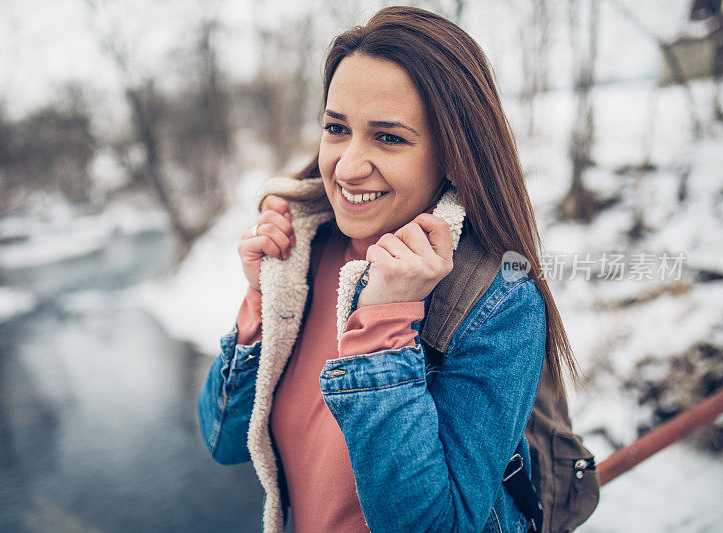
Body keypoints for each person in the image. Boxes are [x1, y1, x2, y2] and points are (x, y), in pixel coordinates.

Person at [198, 6, 578, 532]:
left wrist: (385, 329)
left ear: (454, 153)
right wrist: (262, 301)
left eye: (389, 137)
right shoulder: (304, 249)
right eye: (337, 128)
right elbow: (222, 438)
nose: (348, 166)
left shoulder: (497, 302)